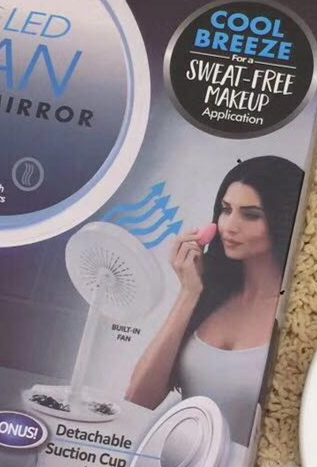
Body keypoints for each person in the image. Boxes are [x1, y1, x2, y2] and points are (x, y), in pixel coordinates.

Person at [126, 155, 304, 445]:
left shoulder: (299, 308)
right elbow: (138, 399)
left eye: (251, 215)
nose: (229, 226)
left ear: (284, 220)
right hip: (177, 460)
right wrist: (189, 292)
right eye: (226, 210)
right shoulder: (211, 294)